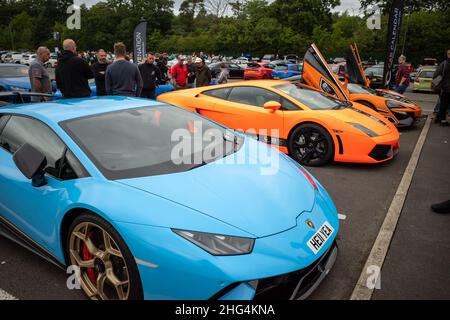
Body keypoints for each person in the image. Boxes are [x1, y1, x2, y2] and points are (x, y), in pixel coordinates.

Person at [433, 49, 450, 126]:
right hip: (446, 87)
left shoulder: (444, 64)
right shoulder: (444, 64)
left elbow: (436, 75)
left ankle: (441, 119)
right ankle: (441, 119)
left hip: (444, 88)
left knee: (443, 104)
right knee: (444, 104)